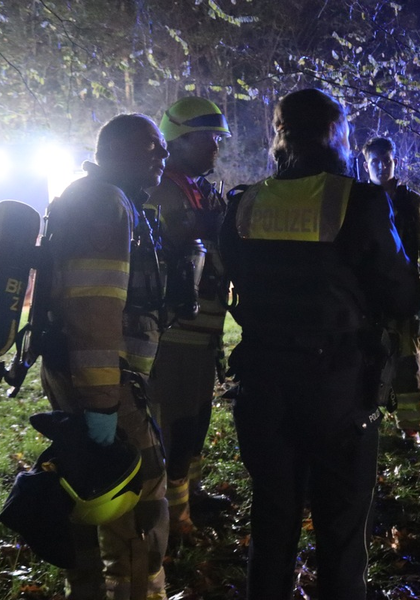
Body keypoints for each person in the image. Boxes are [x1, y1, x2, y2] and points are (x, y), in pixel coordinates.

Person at [220, 88, 420, 600]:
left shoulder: (245, 203)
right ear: (335, 133)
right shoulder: (360, 201)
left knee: (272, 520)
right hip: (338, 384)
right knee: (342, 527)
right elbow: (402, 295)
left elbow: (234, 276)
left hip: (261, 379)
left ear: (279, 135)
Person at [39, 114, 170, 599]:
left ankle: (89, 590)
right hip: (107, 382)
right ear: (115, 151)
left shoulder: (102, 198)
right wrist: (102, 404)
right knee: (134, 500)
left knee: (84, 484)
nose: (162, 156)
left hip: (87, 373)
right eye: (151, 147)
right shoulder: (104, 203)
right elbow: (93, 309)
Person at [147, 96, 232, 544]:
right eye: (207, 138)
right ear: (178, 141)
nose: (216, 146)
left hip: (204, 333)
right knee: (177, 423)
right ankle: (175, 518)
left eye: (218, 138)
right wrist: (209, 224)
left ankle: (190, 496)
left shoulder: (198, 189)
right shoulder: (162, 190)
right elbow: (171, 238)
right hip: (176, 334)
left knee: (196, 419)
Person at [361, 137, 420, 444]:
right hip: (368, 301)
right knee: (368, 363)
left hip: (406, 298)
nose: (382, 166)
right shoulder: (357, 202)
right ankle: (366, 424)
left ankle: (411, 429)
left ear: (395, 162)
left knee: (407, 365)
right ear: (365, 165)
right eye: (375, 161)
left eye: (387, 160)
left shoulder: (413, 203)